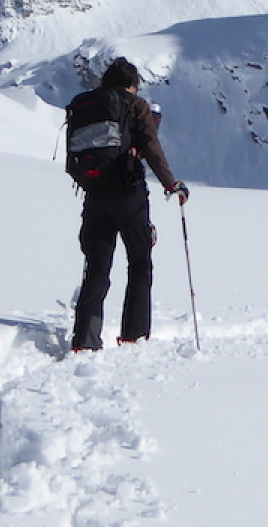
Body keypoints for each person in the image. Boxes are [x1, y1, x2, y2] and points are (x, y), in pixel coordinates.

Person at [67, 58, 189, 351]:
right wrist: (171, 184)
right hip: (128, 194)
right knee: (139, 261)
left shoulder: (86, 106)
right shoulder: (135, 106)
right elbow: (151, 146)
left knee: (96, 267)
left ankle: (85, 339)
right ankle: (133, 336)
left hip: (95, 194)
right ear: (132, 85)